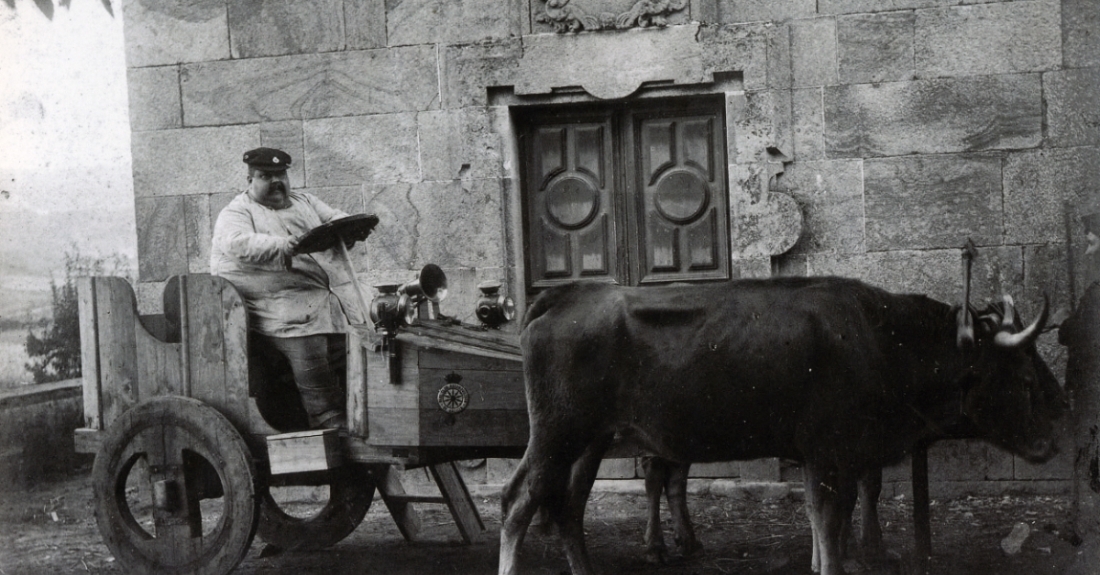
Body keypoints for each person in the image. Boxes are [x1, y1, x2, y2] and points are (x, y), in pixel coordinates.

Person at [210, 147, 364, 430]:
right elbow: (236, 243)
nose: (276, 182)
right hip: (279, 312)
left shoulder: (304, 201)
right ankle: (328, 425)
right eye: (265, 176)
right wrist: (282, 245)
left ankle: (357, 423)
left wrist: (350, 227)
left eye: (280, 174)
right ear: (250, 180)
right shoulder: (237, 211)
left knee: (357, 359)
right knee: (317, 371)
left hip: (322, 306)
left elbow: (334, 218)